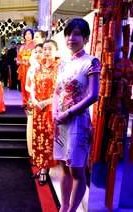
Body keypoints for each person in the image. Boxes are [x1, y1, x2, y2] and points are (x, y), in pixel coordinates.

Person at [52, 18, 100, 212]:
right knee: (63, 166)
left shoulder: (91, 62)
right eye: (69, 34)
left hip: (78, 122)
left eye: (77, 34)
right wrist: (56, 112)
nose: (72, 38)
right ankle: (63, 207)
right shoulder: (63, 64)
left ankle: (72, 209)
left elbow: (93, 95)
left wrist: (68, 112)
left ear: (86, 38)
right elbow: (57, 91)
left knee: (76, 169)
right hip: (60, 123)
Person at [29, 40, 59, 185]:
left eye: (50, 49)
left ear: (56, 51)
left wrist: (45, 102)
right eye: (45, 49)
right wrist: (34, 100)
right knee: (38, 137)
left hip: (50, 108)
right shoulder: (38, 67)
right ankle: (41, 165)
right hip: (37, 107)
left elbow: (60, 91)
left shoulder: (59, 68)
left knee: (47, 138)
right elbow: (33, 86)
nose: (46, 52)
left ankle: (45, 170)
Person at [17, 28, 35, 108]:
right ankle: (24, 102)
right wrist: (20, 61)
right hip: (22, 68)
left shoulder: (35, 45)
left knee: (30, 84)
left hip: (31, 68)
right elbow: (18, 58)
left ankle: (30, 102)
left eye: (29, 34)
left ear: (32, 35)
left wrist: (29, 62)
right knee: (23, 84)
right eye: (26, 34)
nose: (27, 36)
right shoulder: (22, 47)